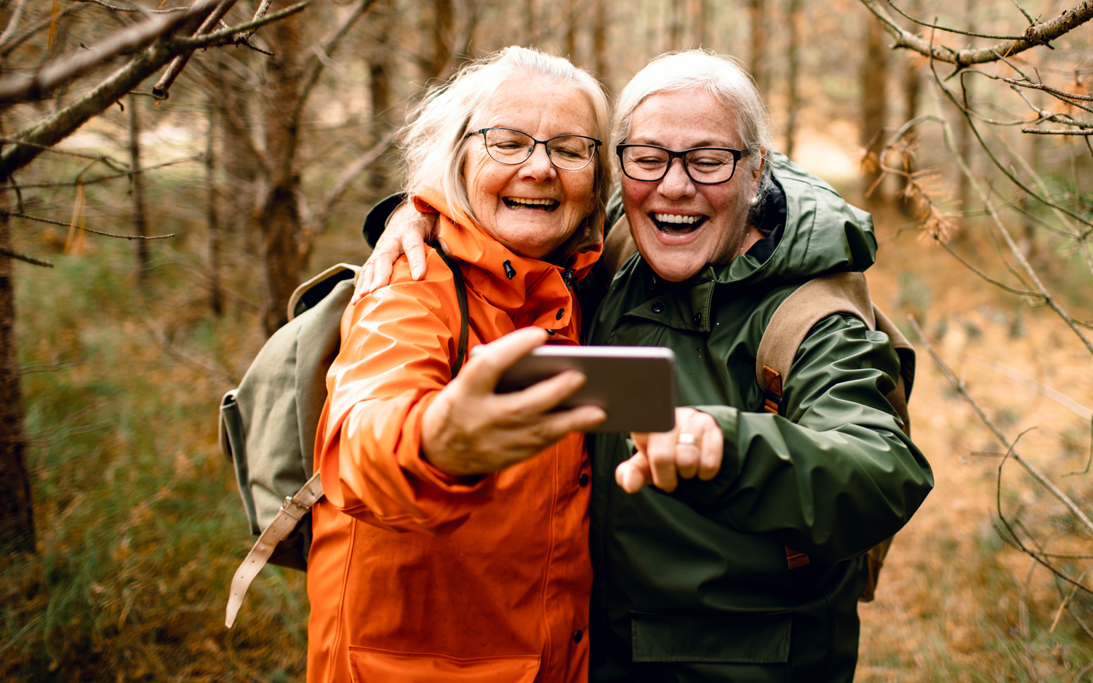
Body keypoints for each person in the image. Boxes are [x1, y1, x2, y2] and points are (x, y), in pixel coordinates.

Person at [357, 50, 934, 682]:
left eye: (708, 161)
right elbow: (515, 195)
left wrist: (729, 446)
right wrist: (419, 211)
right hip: (586, 656)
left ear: (756, 169)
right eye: (649, 158)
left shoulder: (810, 312)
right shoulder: (616, 248)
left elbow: (883, 471)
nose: (675, 186)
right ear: (619, 167)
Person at [306, 46, 619, 683]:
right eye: (507, 141)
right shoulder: (412, 284)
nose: (540, 168)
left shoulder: (584, 282)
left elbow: (718, 161)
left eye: (569, 148)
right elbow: (361, 434)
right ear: (459, 157)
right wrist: (436, 442)